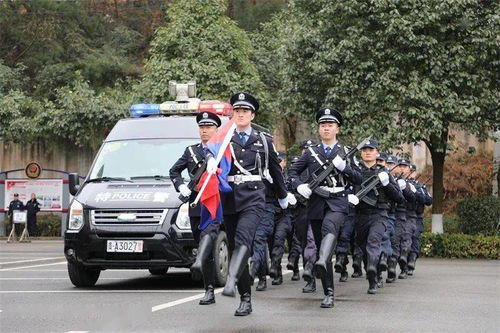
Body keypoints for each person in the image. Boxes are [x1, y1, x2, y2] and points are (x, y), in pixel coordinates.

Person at [217, 92, 289, 316]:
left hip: (254, 197)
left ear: (252, 115)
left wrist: (282, 195)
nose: (240, 114)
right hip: (229, 197)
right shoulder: (223, 139)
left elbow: (275, 170)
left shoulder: (263, 140)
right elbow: (210, 167)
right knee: (234, 246)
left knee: (244, 239)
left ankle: (230, 283)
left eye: (245, 111)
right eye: (237, 111)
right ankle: (245, 297)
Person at [288, 107, 362, 308]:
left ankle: (321, 264)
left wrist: (344, 168)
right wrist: (299, 186)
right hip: (316, 203)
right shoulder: (311, 152)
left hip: (338, 201)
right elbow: (291, 173)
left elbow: (358, 177)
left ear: (337, 128)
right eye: (323, 125)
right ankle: (328, 292)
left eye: (330, 125)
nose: (326, 128)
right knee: (323, 250)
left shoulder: (346, 153)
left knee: (331, 228)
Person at [169, 110, 222, 306]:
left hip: (216, 204)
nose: (205, 131)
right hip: (196, 205)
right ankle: (208, 289)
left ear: (217, 129)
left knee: (208, 240)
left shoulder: (223, 150)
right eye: (202, 127)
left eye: (208, 127)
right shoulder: (191, 151)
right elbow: (174, 171)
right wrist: (181, 186)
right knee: (203, 245)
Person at [352, 140, 404, 294]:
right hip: (360, 215)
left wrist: (387, 183)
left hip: (379, 214)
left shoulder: (384, 173)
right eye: (365, 150)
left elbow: (399, 198)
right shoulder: (355, 172)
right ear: (361, 153)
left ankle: (373, 272)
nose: (368, 152)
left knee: (373, 243)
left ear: (377, 152)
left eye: (371, 149)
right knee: (363, 247)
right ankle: (372, 275)